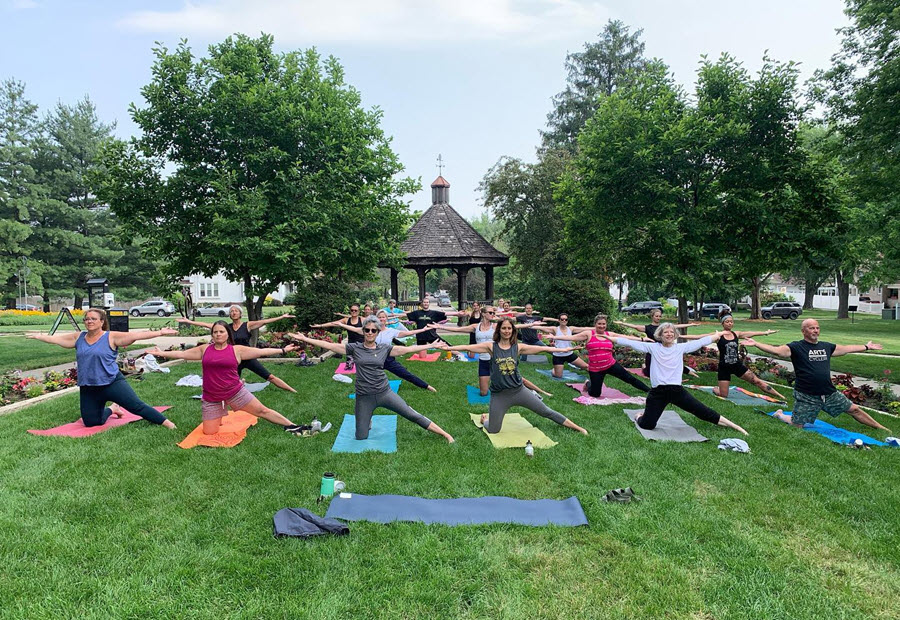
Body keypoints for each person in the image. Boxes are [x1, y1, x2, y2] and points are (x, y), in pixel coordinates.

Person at [290, 317, 455, 442]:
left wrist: (430, 345)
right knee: (361, 437)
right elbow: (331, 346)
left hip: (385, 393)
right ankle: (367, 419)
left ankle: (446, 434)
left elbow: (408, 349)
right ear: (363, 331)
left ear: (377, 332)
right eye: (366, 330)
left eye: (373, 330)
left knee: (411, 414)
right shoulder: (354, 348)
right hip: (364, 396)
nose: (369, 333)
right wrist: (305, 339)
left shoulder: (384, 349)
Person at [26, 308, 177, 429]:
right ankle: (113, 409)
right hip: (89, 386)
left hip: (112, 383)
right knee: (91, 422)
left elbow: (135, 335)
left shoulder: (111, 337)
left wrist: (160, 332)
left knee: (136, 407)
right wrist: (40, 336)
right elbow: (56, 339)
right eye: (86, 318)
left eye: (93, 318)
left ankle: (166, 423)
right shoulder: (79, 337)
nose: (89, 321)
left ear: (101, 322)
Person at [148, 321, 304, 435]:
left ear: (228, 334)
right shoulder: (205, 349)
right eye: (215, 332)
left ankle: (292, 425)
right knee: (209, 433)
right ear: (212, 335)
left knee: (262, 410)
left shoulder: (237, 350)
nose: (218, 334)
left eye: (221, 331)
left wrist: (283, 350)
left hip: (235, 392)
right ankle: (222, 411)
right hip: (211, 397)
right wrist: (162, 353)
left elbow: (260, 352)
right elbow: (182, 354)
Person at [742, 319, 890, 431]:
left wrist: (866, 347)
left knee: (854, 410)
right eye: (811, 328)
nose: (815, 330)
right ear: (803, 331)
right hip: (807, 394)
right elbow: (777, 351)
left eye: (817, 328)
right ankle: (779, 415)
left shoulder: (825, 347)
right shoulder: (796, 347)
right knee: (797, 425)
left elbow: (845, 348)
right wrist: (756, 344)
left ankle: (882, 429)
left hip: (828, 392)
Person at [447, 319, 588, 435]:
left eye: (509, 328)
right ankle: (485, 419)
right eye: (504, 328)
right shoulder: (491, 347)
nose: (507, 331)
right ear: (499, 330)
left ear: (513, 331)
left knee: (546, 411)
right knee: (493, 430)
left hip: (519, 391)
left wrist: (564, 349)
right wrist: (448, 348)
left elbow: (543, 349)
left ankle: (579, 428)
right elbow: (467, 347)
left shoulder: (518, 347)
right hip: (499, 395)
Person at [607, 323, 748, 434]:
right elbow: (630, 343)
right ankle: (639, 416)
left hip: (677, 391)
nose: (668, 334)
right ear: (660, 335)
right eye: (665, 332)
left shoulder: (680, 348)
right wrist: (610, 338)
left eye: (671, 332)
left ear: (675, 335)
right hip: (658, 393)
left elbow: (699, 342)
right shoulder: (653, 348)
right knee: (647, 425)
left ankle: (735, 426)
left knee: (703, 411)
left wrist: (716, 336)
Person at [176, 305, 297, 393]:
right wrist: (188, 321)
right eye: (231, 311)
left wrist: (281, 317)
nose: (233, 312)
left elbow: (263, 321)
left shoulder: (247, 325)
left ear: (240, 313)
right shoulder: (225, 328)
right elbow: (206, 325)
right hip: (232, 358)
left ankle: (292, 390)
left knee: (269, 376)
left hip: (247, 357)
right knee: (229, 384)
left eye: (236, 311)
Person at [313, 310, 438, 392]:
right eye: (379, 317)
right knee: (368, 379)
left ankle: (426, 386)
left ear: (386, 319)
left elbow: (409, 333)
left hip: (388, 357)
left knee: (405, 373)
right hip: (371, 357)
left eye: (384, 317)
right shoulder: (369, 329)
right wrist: (341, 325)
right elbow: (353, 328)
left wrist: (422, 330)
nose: (382, 319)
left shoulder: (391, 331)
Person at [440, 307, 552, 398]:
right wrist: (439, 327)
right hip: (483, 361)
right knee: (483, 393)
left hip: (497, 359)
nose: (493, 314)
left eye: (494, 312)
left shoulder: (495, 326)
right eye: (490, 312)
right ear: (483, 314)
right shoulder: (476, 327)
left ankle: (540, 391)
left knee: (518, 379)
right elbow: (457, 330)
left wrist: (531, 324)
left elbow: (515, 326)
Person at [681, 314, 784, 400]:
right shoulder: (718, 335)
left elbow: (752, 333)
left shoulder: (736, 334)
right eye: (727, 321)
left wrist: (766, 333)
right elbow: (699, 337)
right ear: (722, 323)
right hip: (724, 367)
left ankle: (781, 396)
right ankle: (715, 389)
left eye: (731, 321)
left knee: (757, 381)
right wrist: (681, 336)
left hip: (737, 366)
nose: (730, 323)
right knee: (723, 395)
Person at [550, 314, 651, 397]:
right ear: (595, 324)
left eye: (603, 324)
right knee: (595, 394)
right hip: (595, 369)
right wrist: (554, 337)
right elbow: (571, 338)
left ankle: (648, 390)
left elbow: (625, 338)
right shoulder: (589, 334)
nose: (601, 326)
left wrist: (642, 339)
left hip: (610, 365)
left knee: (629, 378)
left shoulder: (609, 334)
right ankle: (588, 384)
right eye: (599, 324)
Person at [616, 309, 700, 378]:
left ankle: (689, 372)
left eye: (660, 316)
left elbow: (678, 326)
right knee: (649, 374)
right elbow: (634, 326)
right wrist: (622, 323)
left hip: (664, 348)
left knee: (673, 362)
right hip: (652, 350)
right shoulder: (647, 327)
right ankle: (644, 366)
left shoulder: (663, 327)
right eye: (656, 316)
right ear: (652, 317)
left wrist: (691, 324)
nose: (658, 318)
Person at [533, 313, 590, 378]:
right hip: (558, 356)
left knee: (587, 367)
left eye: (566, 319)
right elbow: (543, 328)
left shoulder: (571, 329)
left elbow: (584, 328)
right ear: (559, 320)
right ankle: (553, 370)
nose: (564, 321)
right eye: (562, 319)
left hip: (569, 354)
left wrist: (597, 328)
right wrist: (529, 325)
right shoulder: (555, 329)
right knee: (558, 376)